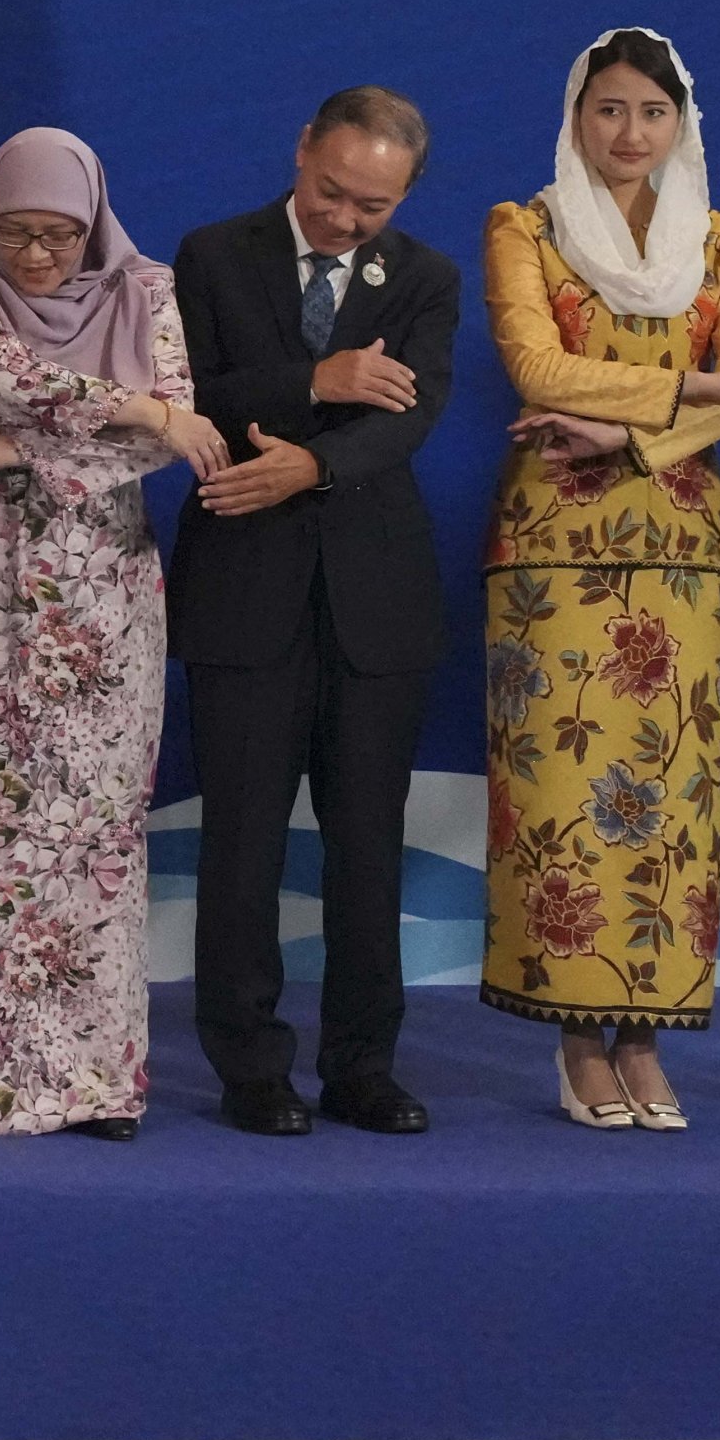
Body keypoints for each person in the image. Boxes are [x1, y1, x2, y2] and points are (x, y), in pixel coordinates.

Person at [479, 28, 720, 1132]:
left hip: (684, 548)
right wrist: (694, 383)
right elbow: (537, 366)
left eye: (652, 113)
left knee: (673, 810)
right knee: (565, 805)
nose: (629, 134)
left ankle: (646, 1041)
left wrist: (630, 438)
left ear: (681, 124)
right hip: (553, 552)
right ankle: (575, 1042)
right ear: (575, 116)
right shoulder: (527, 226)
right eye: (608, 109)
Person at [0, 128, 219, 1138]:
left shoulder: (145, 287)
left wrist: (21, 454)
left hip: (105, 594)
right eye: (16, 233)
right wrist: (136, 413)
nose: (36, 258)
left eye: (59, 237)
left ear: (93, 223)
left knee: (94, 837)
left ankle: (92, 1087)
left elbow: (176, 427)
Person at [167, 87, 458, 1138]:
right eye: (332, 192)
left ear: (405, 197)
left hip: (376, 603)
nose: (344, 219)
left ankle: (362, 1068)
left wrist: (311, 467)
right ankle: (251, 1067)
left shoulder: (425, 277)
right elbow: (195, 394)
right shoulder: (211, 254)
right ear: (301, 151)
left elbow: (412, 417)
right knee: (240, 846)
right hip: (244, 593)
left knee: (368, 849)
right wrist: (320, 377)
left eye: (371, 207)